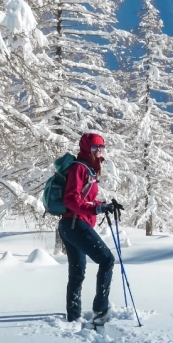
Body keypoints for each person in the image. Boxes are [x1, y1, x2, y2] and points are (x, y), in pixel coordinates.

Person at [59, 132, 119, 323]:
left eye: (101, 148)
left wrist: (103, 204)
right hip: (76, 224)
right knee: (107, 260)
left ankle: (73, 317)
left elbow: (86, 199)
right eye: (95, 148)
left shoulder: (90, 171)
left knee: (77, 273)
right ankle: (101, 311)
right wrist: (98, 208)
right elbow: (71, 199)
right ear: (86, 148)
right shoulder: (79, 168)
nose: (99, 151)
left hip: (72, 225)